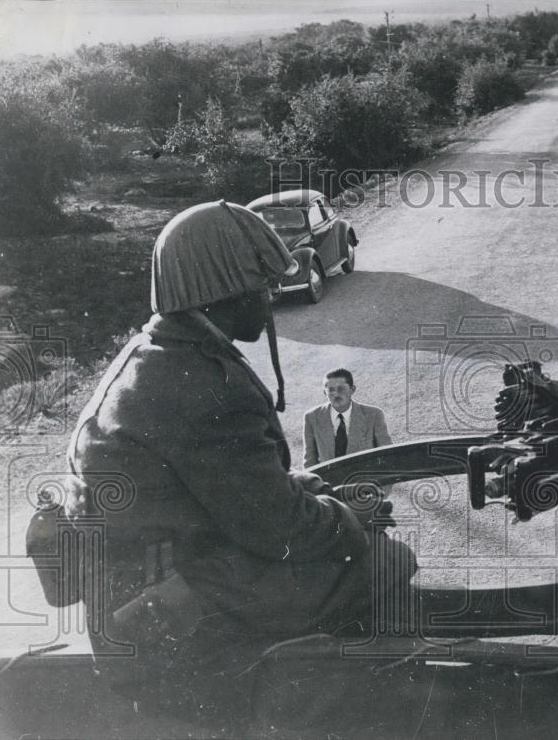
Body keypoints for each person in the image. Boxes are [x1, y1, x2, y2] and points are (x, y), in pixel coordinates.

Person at [49, 201, 414, 706]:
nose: (269, 294)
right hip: (170, 623)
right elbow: (279, 529)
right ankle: (326, 711)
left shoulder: (157, 353)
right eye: (261, 282)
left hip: (141, 600)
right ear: (221, 291)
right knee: (384, 560)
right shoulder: (203, 384)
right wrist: (347, 515)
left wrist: (305, 489)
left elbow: (226, 487)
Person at [302, 369, 392, 467]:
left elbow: (387, 456)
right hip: (328, 481)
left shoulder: (373, 415)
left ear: (352, 389)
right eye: (331, 390)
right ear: (325, 392)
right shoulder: (312, 417)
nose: (336, 394)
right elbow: (309, 461)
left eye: (341, 389)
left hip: (364, 481)